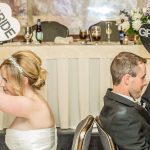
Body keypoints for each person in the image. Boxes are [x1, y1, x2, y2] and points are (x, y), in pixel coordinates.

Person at [0, 50, 56, 150]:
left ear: (23, 81)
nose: (2, 84)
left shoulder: (28, 104)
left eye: (6, 80)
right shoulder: (34, 100)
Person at [100, 51, 150, 150]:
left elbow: (143, 105)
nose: (145, 82)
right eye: (143, 77)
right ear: (127, 79)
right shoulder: (123, 118)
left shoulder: (113, 101)